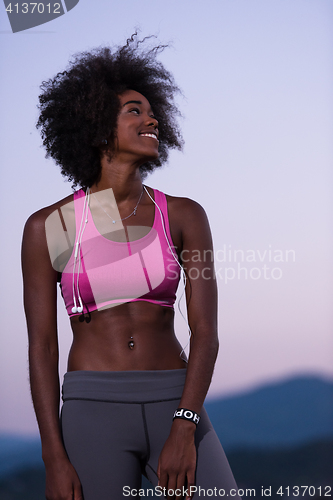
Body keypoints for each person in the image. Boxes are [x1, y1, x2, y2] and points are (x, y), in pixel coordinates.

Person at [22, 35, 241, 500]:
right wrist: (53, 457)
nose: (151, 118)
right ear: (99, 128)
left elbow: (206, 331)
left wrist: (185, 426)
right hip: (92, 408)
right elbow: (41, 347)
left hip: (176, 400)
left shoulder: (183, 215)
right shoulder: (51, 226)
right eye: (134, 111)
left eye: (151, 110)